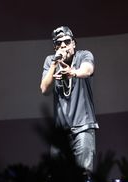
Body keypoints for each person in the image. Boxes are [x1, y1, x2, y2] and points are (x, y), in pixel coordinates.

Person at [40, 26, 98, 172]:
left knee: (84, 175)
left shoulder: (83, 55)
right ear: (55, 48)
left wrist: (73, 72)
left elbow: (88, 70)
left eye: (67, 41)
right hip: (61, 133)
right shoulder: (50, 61)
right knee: (59, 179)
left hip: (83, 128)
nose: (63, 46)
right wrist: (54, 63)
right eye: (59, 44)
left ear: (74, 43)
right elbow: (44, 89)